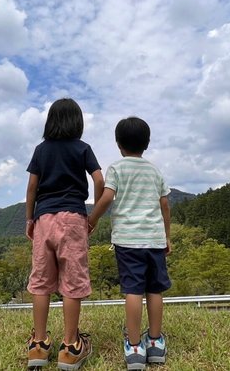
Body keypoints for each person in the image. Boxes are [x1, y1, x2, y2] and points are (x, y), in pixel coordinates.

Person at [25, 98, 104, 370]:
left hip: (43, 218)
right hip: (72, 219)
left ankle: (38, 344)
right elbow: (99, 180)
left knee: (41, 281)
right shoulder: (83, 148)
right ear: (77, 122)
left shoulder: (41, 150)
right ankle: (70, 347)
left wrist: (29, 219)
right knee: (72, 282)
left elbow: (32, 187)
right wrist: (92, 217)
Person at [87, 116, 171, 371]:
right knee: (154, 290)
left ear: (118, 144)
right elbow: (165, 205)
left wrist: (91, 220)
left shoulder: (117, 168)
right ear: (146, 143)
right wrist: (167, 236)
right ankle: (155, 343)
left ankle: (135, 347)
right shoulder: (155, 170)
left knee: (133, 290)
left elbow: (107, 198)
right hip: (154, 239)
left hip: (128, 240)